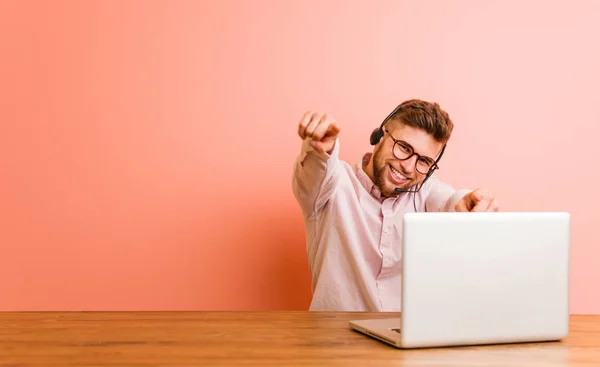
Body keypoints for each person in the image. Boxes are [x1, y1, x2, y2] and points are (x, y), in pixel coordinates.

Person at [291, 99, 499, 312]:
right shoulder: (331, 186)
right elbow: (316, 170)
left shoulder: (424, 192)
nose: (409, 167)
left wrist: (467, 202)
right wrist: (320, 148)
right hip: (336, 340)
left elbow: (449, 201)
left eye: (424, 161)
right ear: (379, 137)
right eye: (404, 147)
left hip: (404, 340)